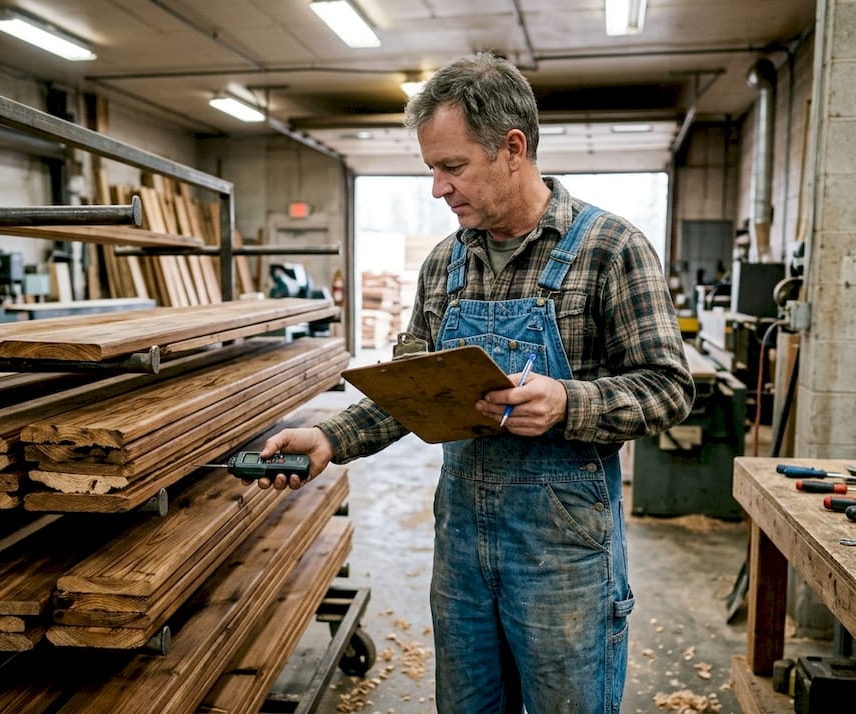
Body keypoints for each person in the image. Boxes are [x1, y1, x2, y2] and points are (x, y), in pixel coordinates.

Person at [256, 52, 693, 714]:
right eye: (431, 168)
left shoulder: (611, 249)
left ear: (511, 149)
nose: (437, 188)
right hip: (460, 549)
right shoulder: (444, 266)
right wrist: (327, 438)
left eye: (451, 166)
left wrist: (568, 403)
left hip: (563, 560)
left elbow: (667, 388)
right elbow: (409, 391)